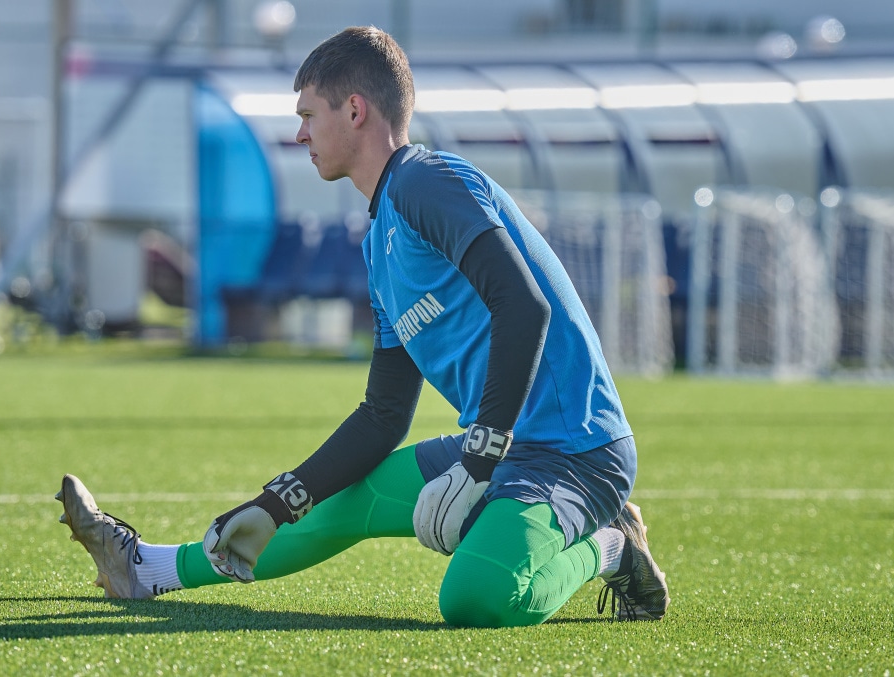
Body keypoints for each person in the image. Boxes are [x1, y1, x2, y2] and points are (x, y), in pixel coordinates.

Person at [56, 26, 669, 627]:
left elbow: (523, 304)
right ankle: (148, 568)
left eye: (308, 115)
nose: (299, 134)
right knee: (352, 497)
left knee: (475, 599)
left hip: (574, 453)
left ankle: (612, 545)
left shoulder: (426, 180)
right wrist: (278, 501)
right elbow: (383, 415)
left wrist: (479, 457)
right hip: (501, 448)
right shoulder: (380, 243)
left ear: (354, 110)